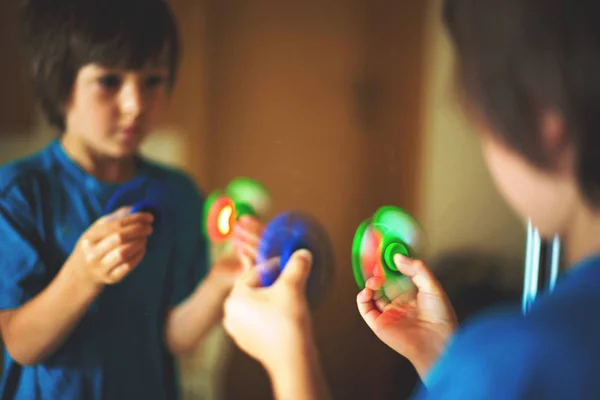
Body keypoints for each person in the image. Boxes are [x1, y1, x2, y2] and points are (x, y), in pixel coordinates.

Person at [223, 0, 600, 398]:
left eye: (481, 119)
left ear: (543, 120)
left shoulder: (516, 363)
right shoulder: (512, 363)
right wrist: (444, 361)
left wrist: (289, 352)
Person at [0, 1, 261, 399]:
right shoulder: (21, 193)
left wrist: (219, 281)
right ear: (60, 83)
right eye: (108, 81)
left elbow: (175, 338)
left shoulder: (179, 194)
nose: (135, 104)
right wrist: (82, 276)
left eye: (152, 81)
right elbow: (20, 344)